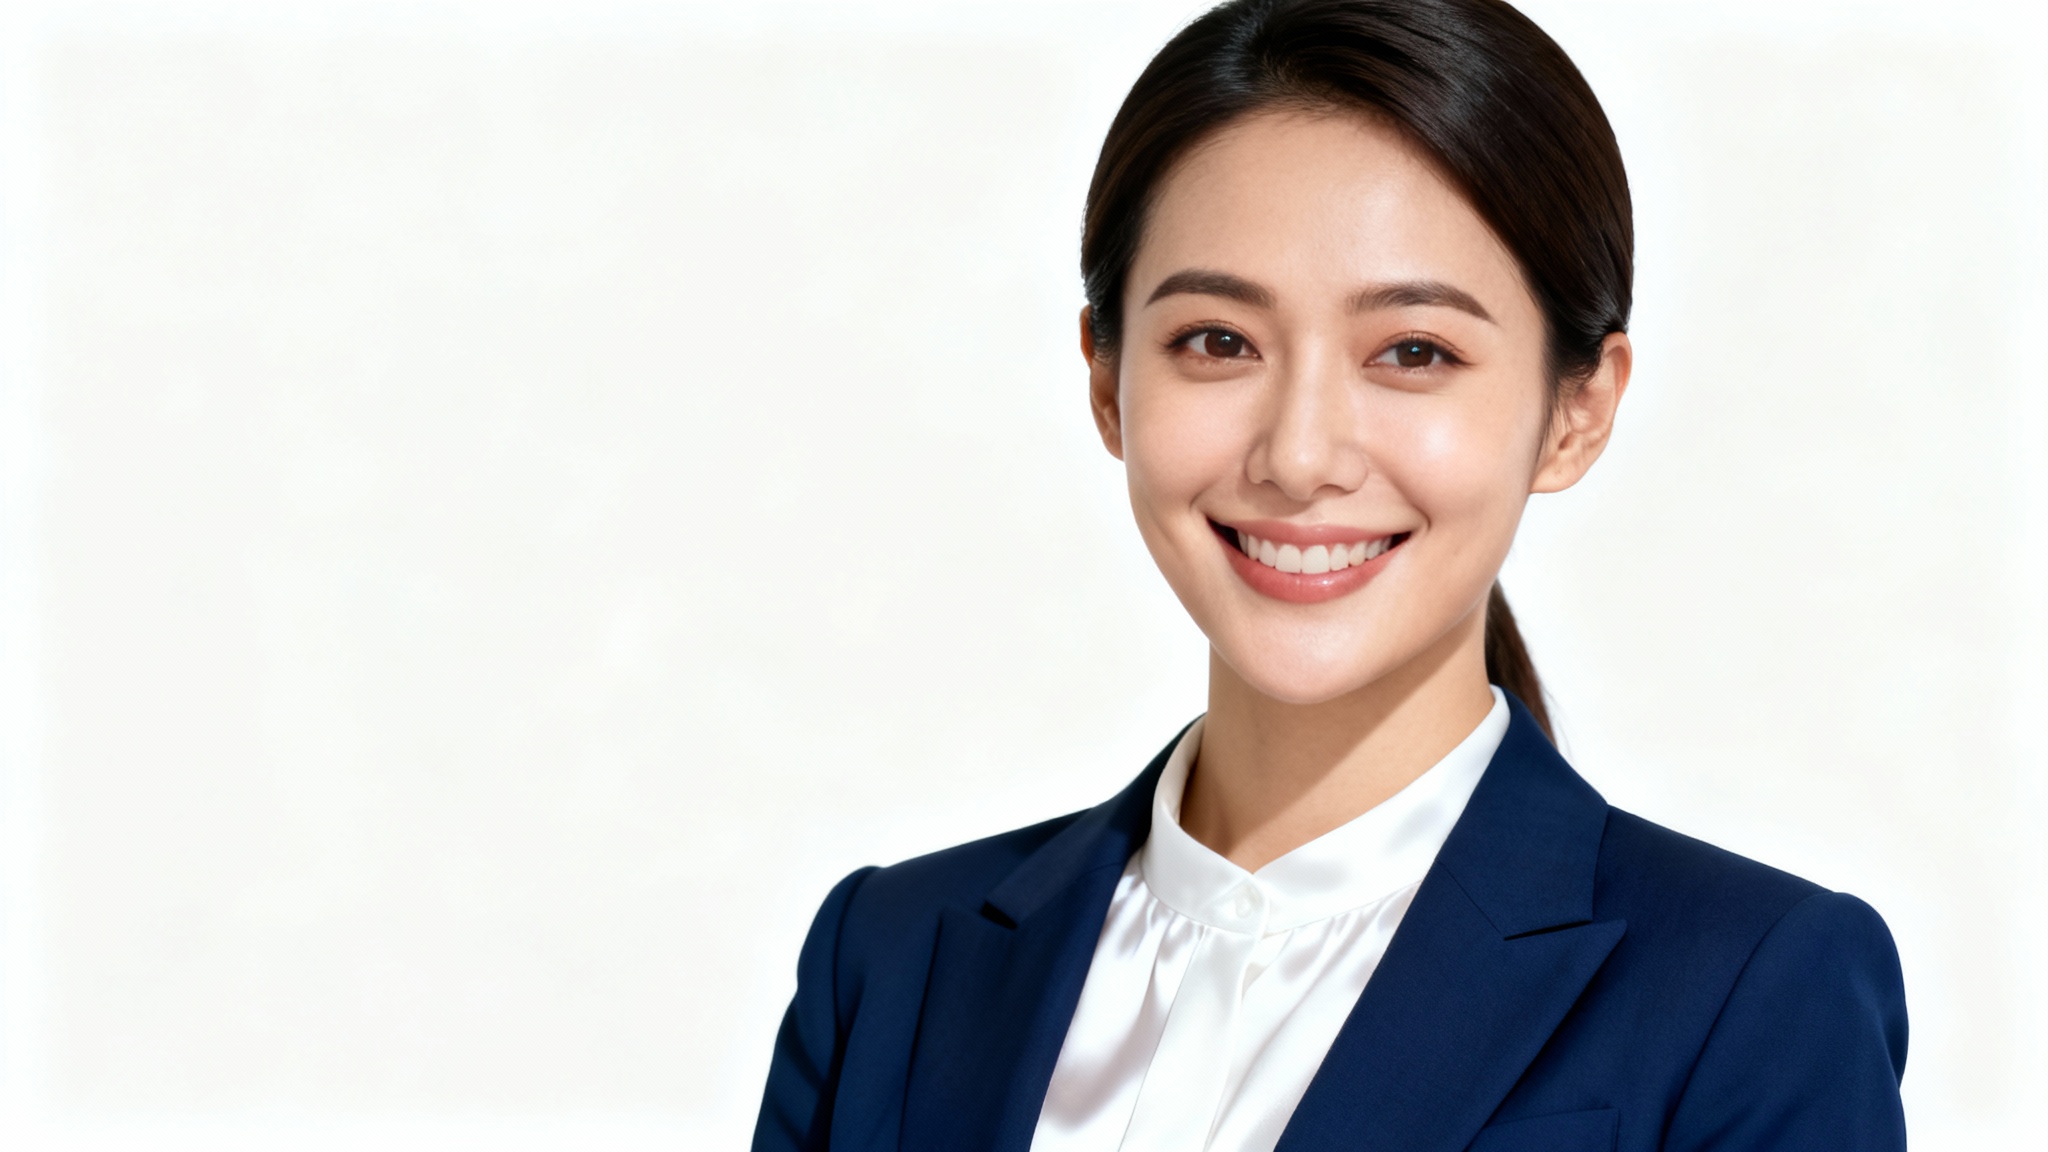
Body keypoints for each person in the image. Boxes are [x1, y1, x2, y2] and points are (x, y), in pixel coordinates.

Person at [751, 0, 1909, 1148]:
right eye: (1215, 341)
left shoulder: (1748, 992)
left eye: (1413, 353)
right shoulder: (889, 963)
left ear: (1575, 411)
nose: (1298, 457)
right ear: (1106, 381)